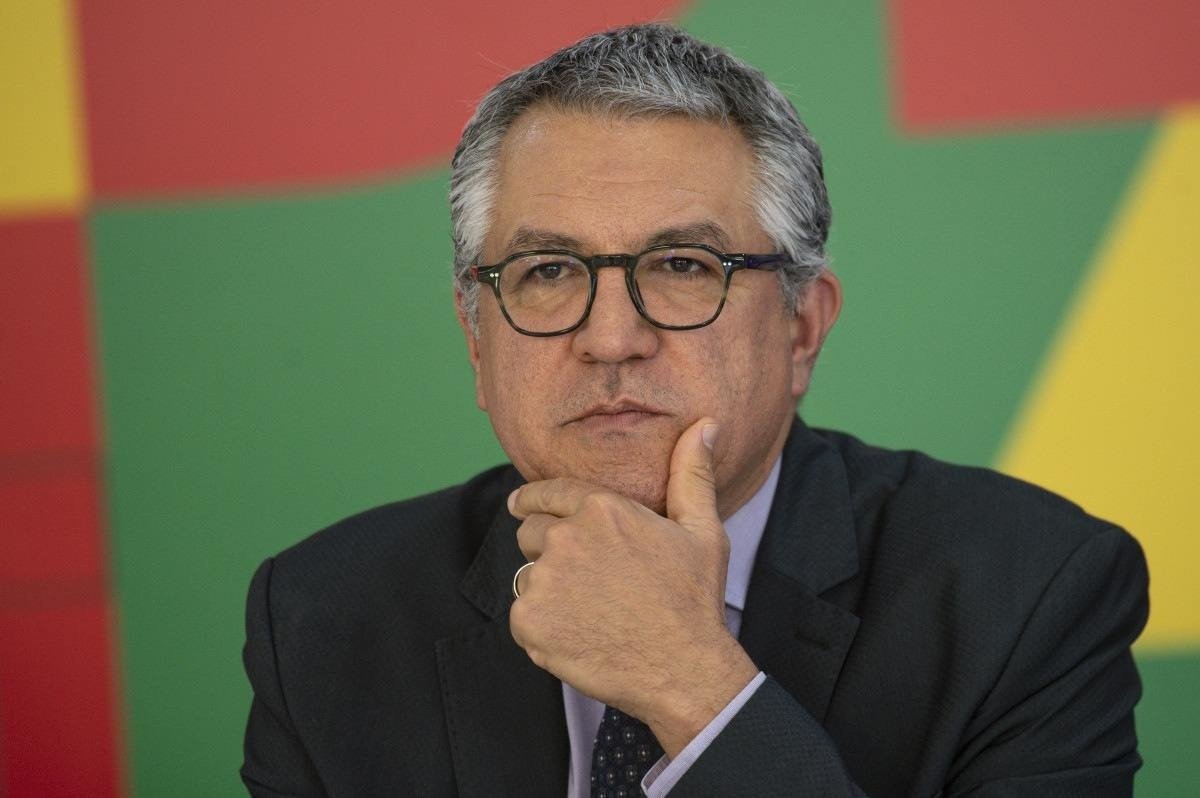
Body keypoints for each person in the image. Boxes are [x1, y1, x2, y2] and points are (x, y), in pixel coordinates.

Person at [241, 23, 1148, 797]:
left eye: (682, 266)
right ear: (479, 343)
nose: (610, 338)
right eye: (548, 271)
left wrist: (694, 690)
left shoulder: (1027, 595)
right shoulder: (325, 618)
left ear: (801, 329)